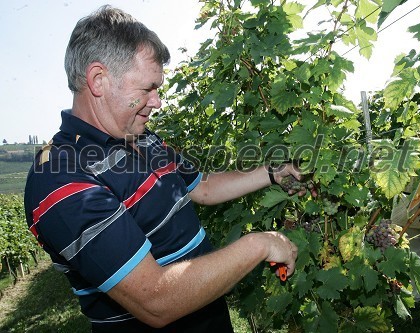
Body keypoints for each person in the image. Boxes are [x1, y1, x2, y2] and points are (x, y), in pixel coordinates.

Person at [24, 5, 303, 332]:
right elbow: (155, 301)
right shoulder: (60, 178)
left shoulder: (144, 139)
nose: (157, 102)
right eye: (147, 89)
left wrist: (273, 172)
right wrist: (261, 244)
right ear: (99, 80)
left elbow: (204, 188)